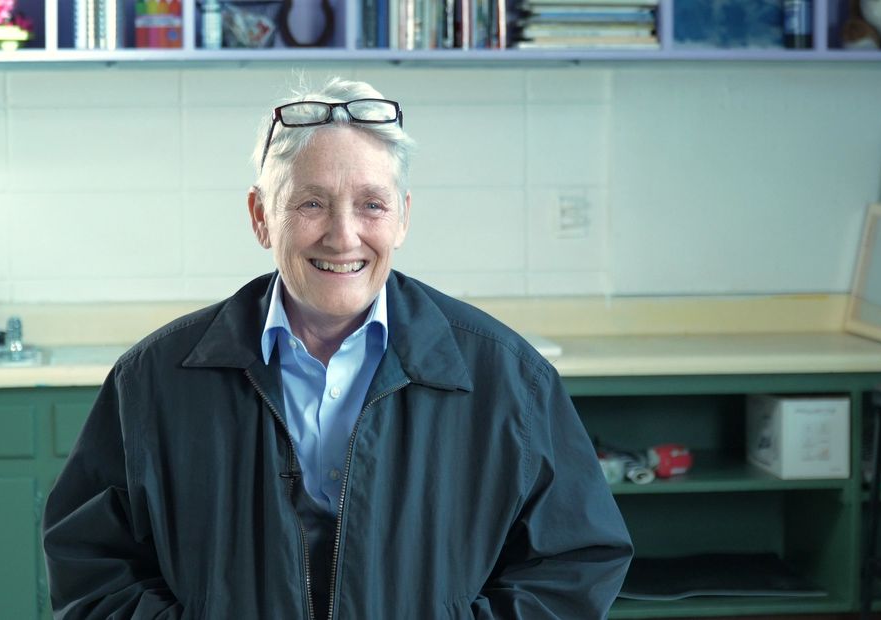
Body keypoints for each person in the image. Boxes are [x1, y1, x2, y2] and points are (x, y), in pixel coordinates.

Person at [42, 76, 633, 619]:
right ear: (260, 216)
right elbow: (90, 565)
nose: (342, 235)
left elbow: (575, 561)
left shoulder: (509, 378)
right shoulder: (152, 380)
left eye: (371, 204)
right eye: (311, 203)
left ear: (401, 218)